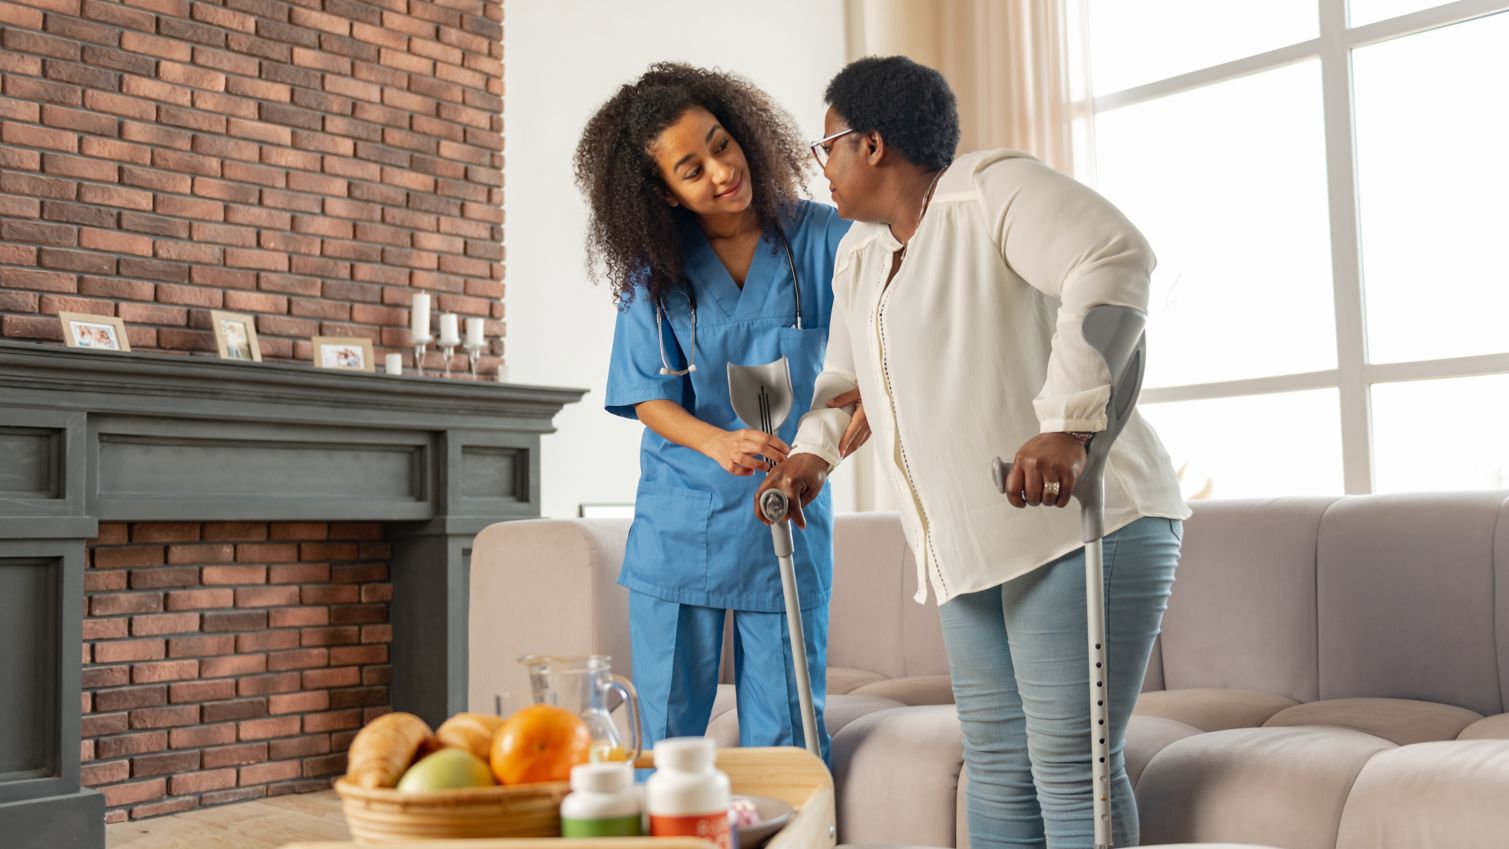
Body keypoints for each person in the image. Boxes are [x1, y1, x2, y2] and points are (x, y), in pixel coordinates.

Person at [757, 56, 1190, 846]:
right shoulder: (859, 253)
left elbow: (1113, 256)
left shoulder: (989, 189)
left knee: (1067, 762)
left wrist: (1068, 424)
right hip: (965, 545)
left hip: (1080, 525)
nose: (821, 165)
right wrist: (812, 452)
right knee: (995, 760)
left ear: (874, 144)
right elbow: (847, 381)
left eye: (829, 145)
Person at [576, 63, 863, 761]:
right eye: (690, 168)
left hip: (786, 507)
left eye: (721, 144)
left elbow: (874, 349)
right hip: (683, 518)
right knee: (667, 735)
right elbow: (645, 391)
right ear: (664, 193)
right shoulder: (654, 272)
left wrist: (833, 442)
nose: (720, 171)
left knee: (787, 733)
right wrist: (716, 444)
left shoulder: (822, 237)